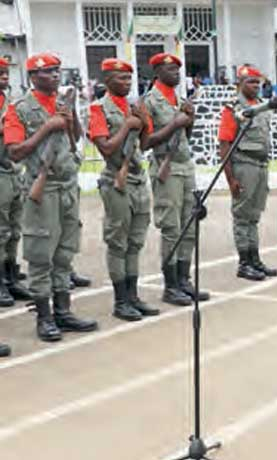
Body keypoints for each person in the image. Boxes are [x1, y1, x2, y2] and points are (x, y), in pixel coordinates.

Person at [3, 52, 99, 342]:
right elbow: (15, 152)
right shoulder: (18, 109)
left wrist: (70, 120)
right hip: (42, 191)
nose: (56, 76)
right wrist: (47, 127)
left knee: (64, 253)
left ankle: (63, 311)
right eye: (48, 72)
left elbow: (77, 138)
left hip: (68, 187)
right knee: (40, 255)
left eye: (58, 70)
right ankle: (44, 317)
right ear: (33, 77)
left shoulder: (61, 103)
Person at [87, 58, 159, 321]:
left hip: (138, 179)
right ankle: (120, 301)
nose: (127, 83)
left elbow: (146, 143)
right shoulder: (99, 109)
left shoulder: (132, 106)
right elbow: (105, 147)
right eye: (121, 78)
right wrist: (128, 126)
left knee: (135, 241)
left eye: (129, 78)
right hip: (115, 179)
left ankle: (133, 295)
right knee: (118, 242)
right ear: (107, 81)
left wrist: (141, 124)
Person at [141, 53, 210, 306]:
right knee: (171, 228)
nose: (176, 73)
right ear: (157, 71)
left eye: (178, 69)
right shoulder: (148, 102)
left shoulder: (179, 100)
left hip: (184, 165)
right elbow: (145, 142)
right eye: (170, 69)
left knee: (189, 225)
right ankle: (170, 286)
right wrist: (175, 123)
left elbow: (185, 138)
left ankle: (184, 279)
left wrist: (188, 122)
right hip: (165, 167)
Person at [217, 65, 277, 282]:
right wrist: (231, 179)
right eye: (250, 83)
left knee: (254, 216)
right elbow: (224, 145)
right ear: (240, 85)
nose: (255, 86)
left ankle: (255, 259)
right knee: (242, 216)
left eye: (257, 83)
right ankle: (244, 262)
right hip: (244, 166)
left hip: (261, 166)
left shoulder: (261, 107)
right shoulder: (233, 109)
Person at [0, 56, 31, 307]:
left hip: (12, 172)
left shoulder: (8, 102)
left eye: (6, 72)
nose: (4, 76)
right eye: (0, 73)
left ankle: (11, 277)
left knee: (13, 228)